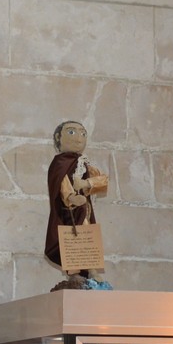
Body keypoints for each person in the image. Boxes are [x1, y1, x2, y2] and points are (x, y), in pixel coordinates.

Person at [44, 120, 107, 286]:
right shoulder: (59, 163)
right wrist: (71, 196)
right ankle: (74, 272)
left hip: (84, 209)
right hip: (69, 210)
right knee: (71, 238)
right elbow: (60, 183)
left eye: (83, 133)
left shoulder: (84, 162)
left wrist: (87, 184)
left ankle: (92, 270)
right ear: (58, 137)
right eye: (72, 132)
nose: (79, 138)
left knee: (87, 235)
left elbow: (101, 181)